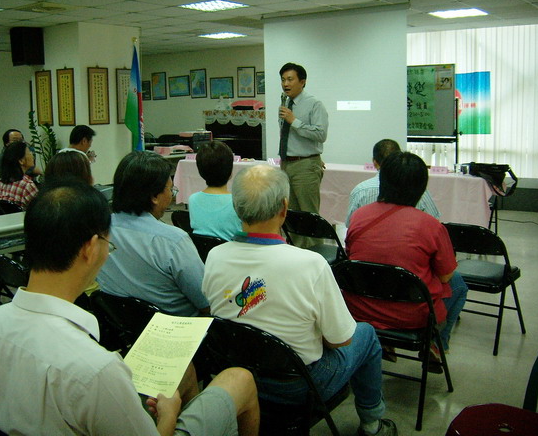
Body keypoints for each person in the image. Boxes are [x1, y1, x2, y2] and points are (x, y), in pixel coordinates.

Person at [0, 179, 260, 436]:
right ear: (90, 248)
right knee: (239, 379)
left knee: (182, 370)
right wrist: (170, 415)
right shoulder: (96, 369)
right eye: (108, 242)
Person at [203, 164, 397, 436]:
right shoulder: (311, 264)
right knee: (365, 335)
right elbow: (340, 340)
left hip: (234, 372)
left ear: (236, 207)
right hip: (296, 385)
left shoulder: (215, 256)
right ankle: (372, 424)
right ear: (284, 207)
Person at [346, 151, 467, 355]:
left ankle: (383, 340)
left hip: (359, 307)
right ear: (421, 187)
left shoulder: (359, 216)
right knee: (458, 284)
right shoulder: (431, 226)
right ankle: (436, 343)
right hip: (411, 315)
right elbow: (445, 276)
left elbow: (351, 257)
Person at [97, 151, 209, 316]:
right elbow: (205, 302)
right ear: (154, 196)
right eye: (171, 190)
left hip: (119, 322)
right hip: (175, 326)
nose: (172, 195)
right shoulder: (174, 241)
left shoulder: (98, 230)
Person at [278, 62, 329, 248]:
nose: (285, 84)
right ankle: (297, 253)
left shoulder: (314, 104)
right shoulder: (285, 103)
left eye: (290, 79)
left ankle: (317, 254)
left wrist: (294, 121)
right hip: (286, 164)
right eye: (283, 80)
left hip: (305, 165)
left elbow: (321, 134)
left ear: (302, 81)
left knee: (309, 215)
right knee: (291, 215)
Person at [345, 139, 440, 227]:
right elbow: (434, 223)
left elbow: (350, 225)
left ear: (374, 162)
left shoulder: (360, 190)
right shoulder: (417, 188)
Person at [189, 141, 241, 240]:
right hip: (233, 249)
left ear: (200, 172)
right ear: (230, 171)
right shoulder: (238, 202)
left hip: (201, 249)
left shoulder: (192, 199)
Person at [0, 141, 38, 209]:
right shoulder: (27, 185)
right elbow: (40, 210)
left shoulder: (1, 181)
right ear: (21, 161)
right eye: (29, 152)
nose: (32, 155)